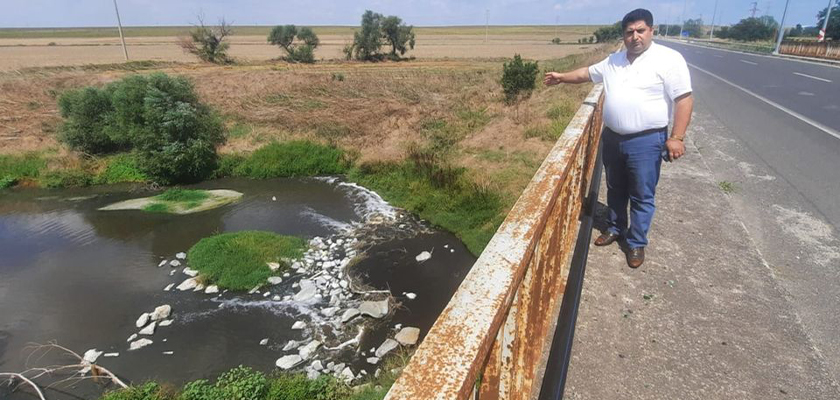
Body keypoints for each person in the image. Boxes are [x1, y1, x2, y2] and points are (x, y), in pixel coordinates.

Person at [544, 8, 693, 268]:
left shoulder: (669, 59)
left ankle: (636, 243)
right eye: (629, 32)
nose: (635, 37)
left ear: (651, 31)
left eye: (640, 31)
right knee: (615, 188)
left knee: (642, 194)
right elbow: (586, 74)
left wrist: (677, 137)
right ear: (623, 36)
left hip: (646, 141)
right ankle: (615, 228)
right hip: (613, 138)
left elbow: (684, 99)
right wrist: (561, 78)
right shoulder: (614, 60)